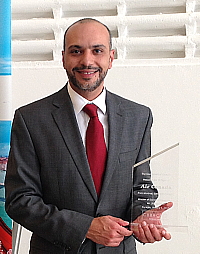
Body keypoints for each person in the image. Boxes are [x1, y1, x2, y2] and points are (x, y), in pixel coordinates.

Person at [5, 18, 172, 254]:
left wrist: (144, 217)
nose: (87, 61)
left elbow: (140, 185)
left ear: (111, 58)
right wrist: (85, 227)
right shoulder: (31, 119)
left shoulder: (139, 117)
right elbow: (20, 201)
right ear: (63, 58)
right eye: (76, 51)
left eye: (97, 50)